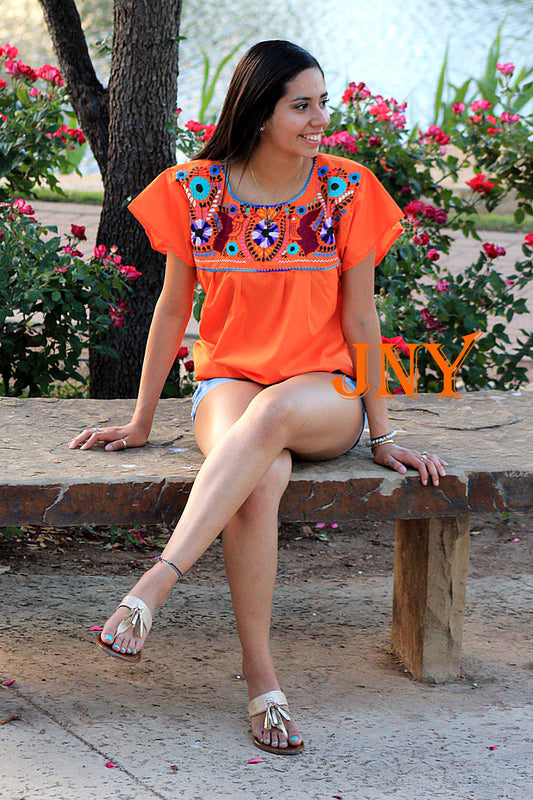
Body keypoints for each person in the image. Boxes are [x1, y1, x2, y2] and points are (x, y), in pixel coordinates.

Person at [69, 40, 447, 756]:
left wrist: (383, 432)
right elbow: (172, 311)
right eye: (300, 106)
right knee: (259, 474)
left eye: (320, 103)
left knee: (272, 419)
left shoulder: (346, 190)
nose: (318, 120)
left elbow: (362, 319)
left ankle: (154, 584)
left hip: (323, 393)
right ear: (258, 110)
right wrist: (143, 418)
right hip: (227, 381)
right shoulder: (196, 190)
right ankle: (260, 679)